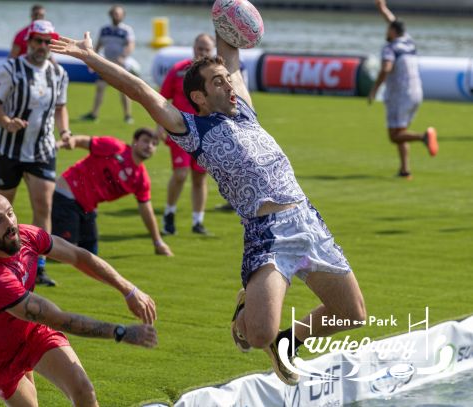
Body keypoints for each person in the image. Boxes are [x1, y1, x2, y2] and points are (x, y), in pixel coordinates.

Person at [49, 29, 367, 386]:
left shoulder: (245, 110)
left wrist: (223, 17)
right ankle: (248, 313)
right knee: (257, 335)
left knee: (352, 314)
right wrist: (92, 58)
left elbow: (230, 50)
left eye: (227, 79)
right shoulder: (191, 130)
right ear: (199, 97)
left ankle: (287, 343)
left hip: (308, 221)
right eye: (218, 82)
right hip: (269, 234)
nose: (228, 84)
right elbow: (138, 90)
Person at [0, 191, 157, 405]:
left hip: (29, 331)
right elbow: (57, 319)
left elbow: (78, 256)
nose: (10, 224)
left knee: (83, 390)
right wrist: (120, 332)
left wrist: (129, 290)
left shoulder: (27, 236)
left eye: (10, 213)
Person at [0, 19, 70, 287]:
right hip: (7, 149)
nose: (42, 46)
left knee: (43, 206)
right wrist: (6, 122)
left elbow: (60, 108)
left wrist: (65, 132)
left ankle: (39, 266)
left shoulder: (59, 73)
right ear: (29, 42)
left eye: (47, 42)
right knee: (0, 210)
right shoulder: (11, 68)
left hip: (42, 149)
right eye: (38, 41)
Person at [52, 128, 173, 256]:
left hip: (88, 206)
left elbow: (146, 211)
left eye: (154, 144)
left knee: (90, 254)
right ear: (134, 141)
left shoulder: (141, 179)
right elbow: (81, 141)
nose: (149, 146)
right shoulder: (114, 147)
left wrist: (158, 242)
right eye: (146, 141)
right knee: (65, 252)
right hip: (66, 193)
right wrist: (59, 144)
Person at [369, 0, 438, 179]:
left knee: (394, 136)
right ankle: (405, 170)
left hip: (400, 95)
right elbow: (393, 21)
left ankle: (424, 137)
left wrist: (375, 89)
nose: (386, 31)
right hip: (416, 92)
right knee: (402, 132)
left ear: (393, 31)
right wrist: (383, 9)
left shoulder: (390, 48)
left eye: (388, 29)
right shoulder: (408, 41)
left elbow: (386, 69)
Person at [158, 34, 215, 236]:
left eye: (207, 49)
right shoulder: (179, 70)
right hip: (180, 130)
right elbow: (162, 99)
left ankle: (198, 221)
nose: (203, 53)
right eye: (200, 48)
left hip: (205, 133)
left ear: (212, 50)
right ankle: (169, 213)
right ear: (193, 48)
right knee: (181, 174)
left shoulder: (215, 74)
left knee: (200, 177)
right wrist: (159, 126)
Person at [80, 5, 135, 124]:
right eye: (114, 13)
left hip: (120, 65)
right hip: (106, 64)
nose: (116, 16)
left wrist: (123, 56)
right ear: (110, 15)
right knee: (100, 87)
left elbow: (130, 45)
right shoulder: (104, 30)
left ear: (123, 16)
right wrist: (92, 60)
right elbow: (98, 45)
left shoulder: (127, 30)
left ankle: (128, 116)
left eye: (119, 14)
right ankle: (94, 114)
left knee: (124, 90)